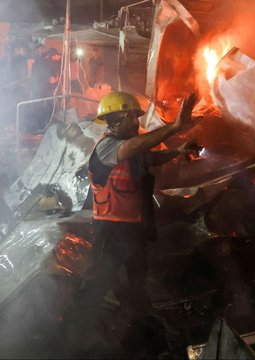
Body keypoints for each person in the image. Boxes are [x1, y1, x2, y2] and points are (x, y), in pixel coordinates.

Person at [62, 91, 199, 351]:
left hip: (133, 229)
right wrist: (174, 128)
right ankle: (70, 335)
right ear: (121, 118)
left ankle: (135, 332)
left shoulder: (131, 147)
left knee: (137, 281)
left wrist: (179, 150)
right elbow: (132, 149)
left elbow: (150, 157)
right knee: (98, 282)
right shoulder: (107, 146)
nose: (138, 123)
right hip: (112, 230)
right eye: (134, 118)